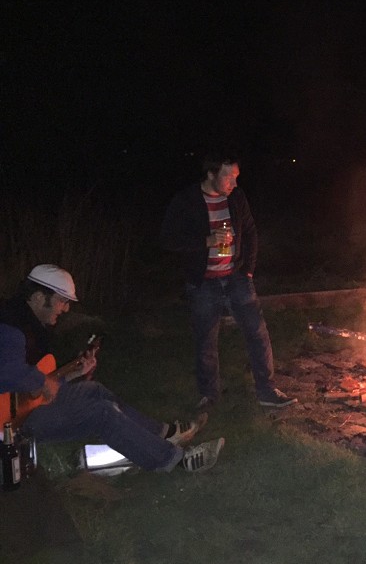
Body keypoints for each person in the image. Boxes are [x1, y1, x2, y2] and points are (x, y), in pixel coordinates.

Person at [0, 265, 224, 473]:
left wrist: (74, 373)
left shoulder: (29, 323)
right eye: (62, 301)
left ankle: (165, 434)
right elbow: (8, 372)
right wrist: (41, 381)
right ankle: (177, 460)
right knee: (102, 412)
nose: (66, 309)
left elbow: (30, 389)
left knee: (94, 390)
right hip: (12, 428)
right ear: (39, 297)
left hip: (24, 411)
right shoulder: (11, 326)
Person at [160, 152, 296, 410]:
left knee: (257, 333)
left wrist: (248, 271)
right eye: (229, 177)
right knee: (206, 340)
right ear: (211, 174)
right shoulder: (187, 200)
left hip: (236, 277)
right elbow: (168, 239)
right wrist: (207, 241)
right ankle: (209, 396)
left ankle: (267, 391)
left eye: (236, 177)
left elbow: (251, 232)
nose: (234, 183)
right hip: (203, 281)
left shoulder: (236, 198)